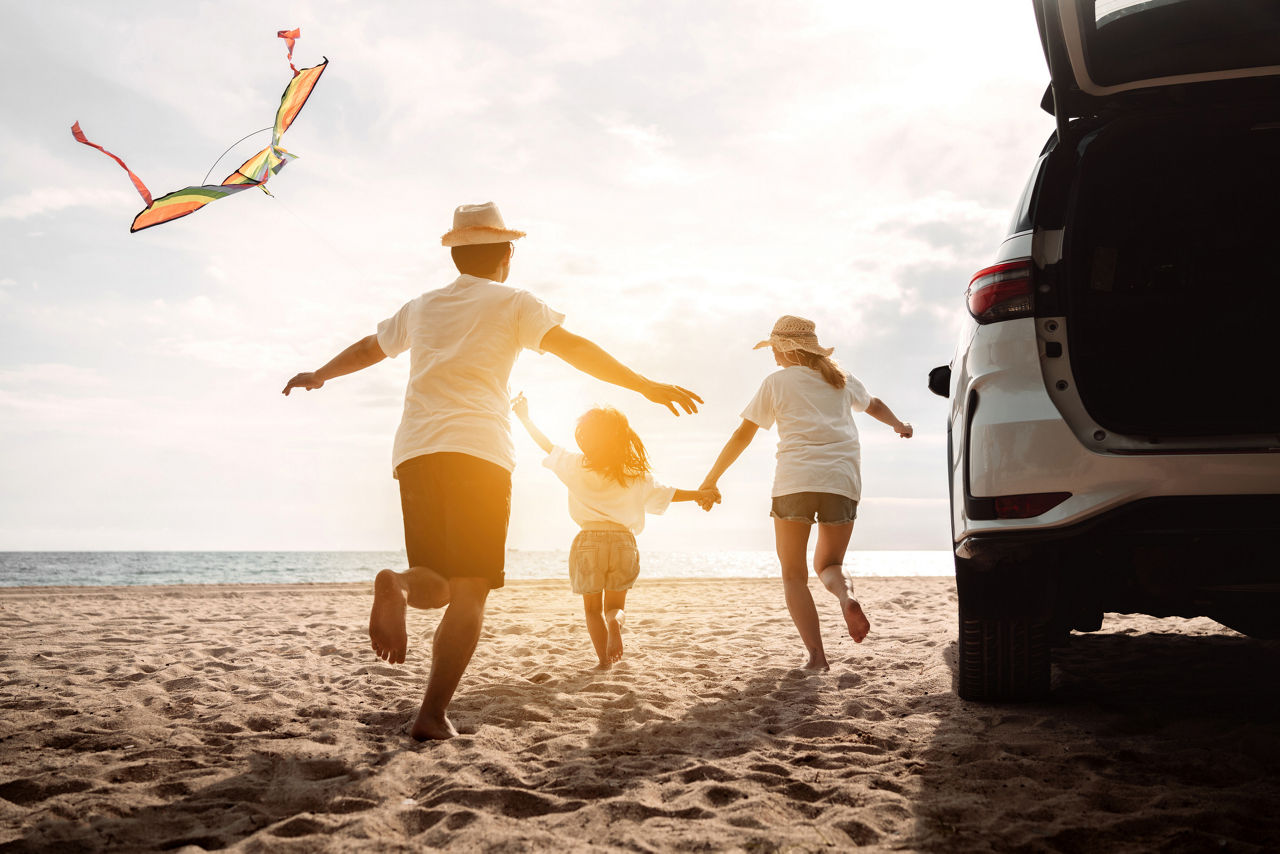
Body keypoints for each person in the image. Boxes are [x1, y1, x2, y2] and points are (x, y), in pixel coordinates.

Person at [281, 202, 702, 739]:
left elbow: (370, 348)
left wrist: (320, 374)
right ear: (506, 255)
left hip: (416, 450)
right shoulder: (516, 303)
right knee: (472, 588)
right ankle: (431, 715)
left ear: (456, 255)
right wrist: (644, 385)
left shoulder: (423, 306)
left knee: (434, 582)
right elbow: (574, 350)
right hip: (479, 453)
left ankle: (399, 587)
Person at [698, 315, 912, 671]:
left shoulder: (777, 382)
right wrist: (899, 425)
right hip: (841, 483)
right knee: (829, 565)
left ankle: (817, 656)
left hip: (794, 483)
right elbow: (873, 404)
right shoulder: (842, 380)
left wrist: (711, 479)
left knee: (794, 575)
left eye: (774, 349)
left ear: (785, 348)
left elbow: (743, 435)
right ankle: (847, 596)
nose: (773, 357)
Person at [511, 393, 719, 670]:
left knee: (591, 610)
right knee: (614, 607)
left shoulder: (575, 465)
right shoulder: (634, 475)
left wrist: (525, 417)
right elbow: (669, 493)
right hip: (623, 542)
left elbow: (546, 446)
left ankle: (603, 662)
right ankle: (615, 621)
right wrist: (699, 494)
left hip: (588, 541)